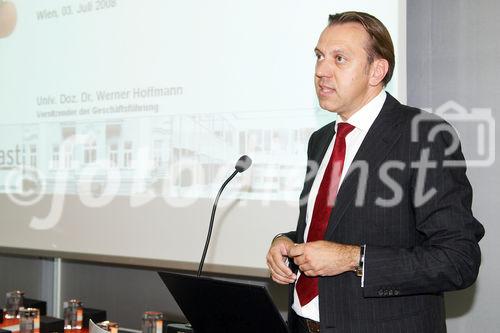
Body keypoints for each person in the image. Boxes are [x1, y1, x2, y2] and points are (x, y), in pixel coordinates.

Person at [266, 11, 484, 333]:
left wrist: (355, 259)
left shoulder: (424, 135)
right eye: (319, 56)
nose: (321, 71)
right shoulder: (321, 140)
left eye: (339, 59)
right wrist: (286, 241)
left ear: (376, 71)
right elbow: (333, 227)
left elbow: (458, 260)